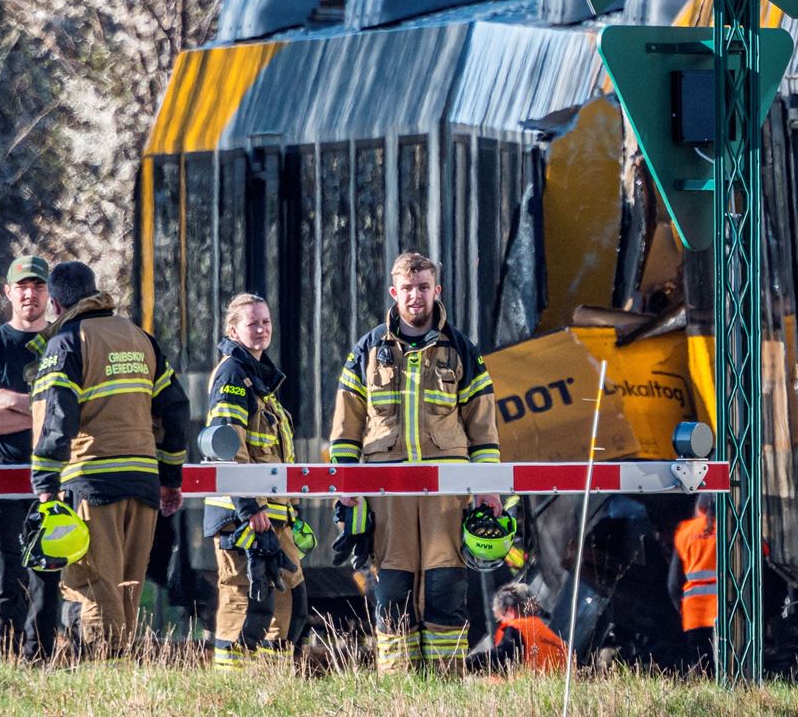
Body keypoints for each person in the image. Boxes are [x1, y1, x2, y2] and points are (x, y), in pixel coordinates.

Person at [329, 252, 501, 672]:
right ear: (394, 292)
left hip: (447, 492)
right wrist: (347, 485)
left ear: (436, 290)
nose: (415, 296)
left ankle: (445, 681)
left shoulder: (461, 349)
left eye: (423, 287)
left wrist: (488, 485)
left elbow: (482, 427)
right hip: (387, 492)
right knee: (392, 588)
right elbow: (347, 425)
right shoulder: (367, 350)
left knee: (446, 586)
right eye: (407, 288)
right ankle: (398, 684)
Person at [28, 260, 188, 658]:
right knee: (126, 589)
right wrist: (170, 477)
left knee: (93, 587)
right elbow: (175, 409)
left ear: (56, 304)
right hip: (144, 482)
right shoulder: (140, 338)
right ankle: (121, 672)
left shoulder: (67, 342)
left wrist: (45, 485)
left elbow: (56, 417)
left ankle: (101, 672)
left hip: (92, 482)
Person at [0, 255, 64, 660]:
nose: (30, 294)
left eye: (38, 286)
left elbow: (78, 412)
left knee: (47, 577)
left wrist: (11, 401)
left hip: (51, 473)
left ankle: (41, 663)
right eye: (22, 286)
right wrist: (44, 412)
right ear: (8, 291)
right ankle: (7, 663)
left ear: (49, 294)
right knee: (4, 577)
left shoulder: (63, 344)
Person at [203, 294, 304, 670]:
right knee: (243, 600)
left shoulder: (258, 377)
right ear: (233, 330)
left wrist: (288, 511)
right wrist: (249, 508)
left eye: (266, 322)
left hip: (272, 514)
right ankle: (232, 685)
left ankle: (271, 681)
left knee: (288, 600)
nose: (261, 329)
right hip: (242, 516)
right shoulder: (233, 373)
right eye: (252, 323)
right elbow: (227, 447)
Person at [468, 581, 566, 674]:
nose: (501, 625)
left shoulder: (518, 629)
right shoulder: (555, 637)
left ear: (509, 612)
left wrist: (468, 663)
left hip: (531, 685)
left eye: (500, 620)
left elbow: (503, 658)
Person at [668, 494, 717, 669]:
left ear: (699, 508)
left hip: (695, 614)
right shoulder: (732, 528)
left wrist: (683, 610)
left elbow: (674, 584)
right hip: (727, 611)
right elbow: (763, 550)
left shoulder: (685, 532)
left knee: (704, 668)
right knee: (730, 667)